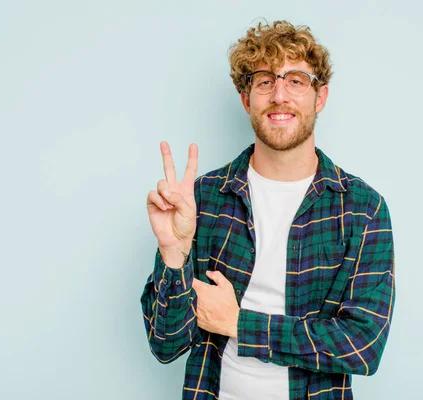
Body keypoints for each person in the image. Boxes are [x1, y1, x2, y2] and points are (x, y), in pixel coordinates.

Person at [141, 20, 395, 400]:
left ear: (319, 97)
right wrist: (172, 254)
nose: (279, 95)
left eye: (296, 80)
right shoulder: (203, 199)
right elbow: (166, 344)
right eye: (264, 81)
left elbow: (362, 345)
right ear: (246, 99)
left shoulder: (362, 208)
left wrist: (241, 325)